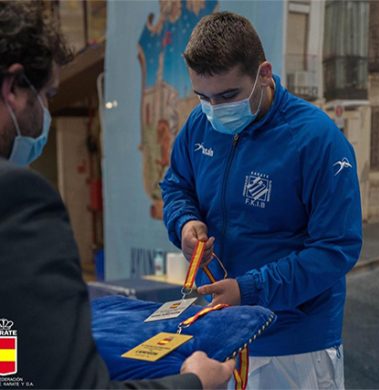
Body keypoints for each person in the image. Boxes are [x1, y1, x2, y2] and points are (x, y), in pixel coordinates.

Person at [0, 2, 234, 389]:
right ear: (14, 88)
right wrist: (193, 383)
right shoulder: (16, 197)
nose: (46, 112)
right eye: (47, 95)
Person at [160, 11, 363, 389]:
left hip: (295, 346)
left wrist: (251, 290)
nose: (215, 109)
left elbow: (336, 249)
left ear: (264, 74)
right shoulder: (198, 125)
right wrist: (185, 223)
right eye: (203, 97)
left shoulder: (316, 140)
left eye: (228, 96)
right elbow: (176, 186)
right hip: (219, 337)